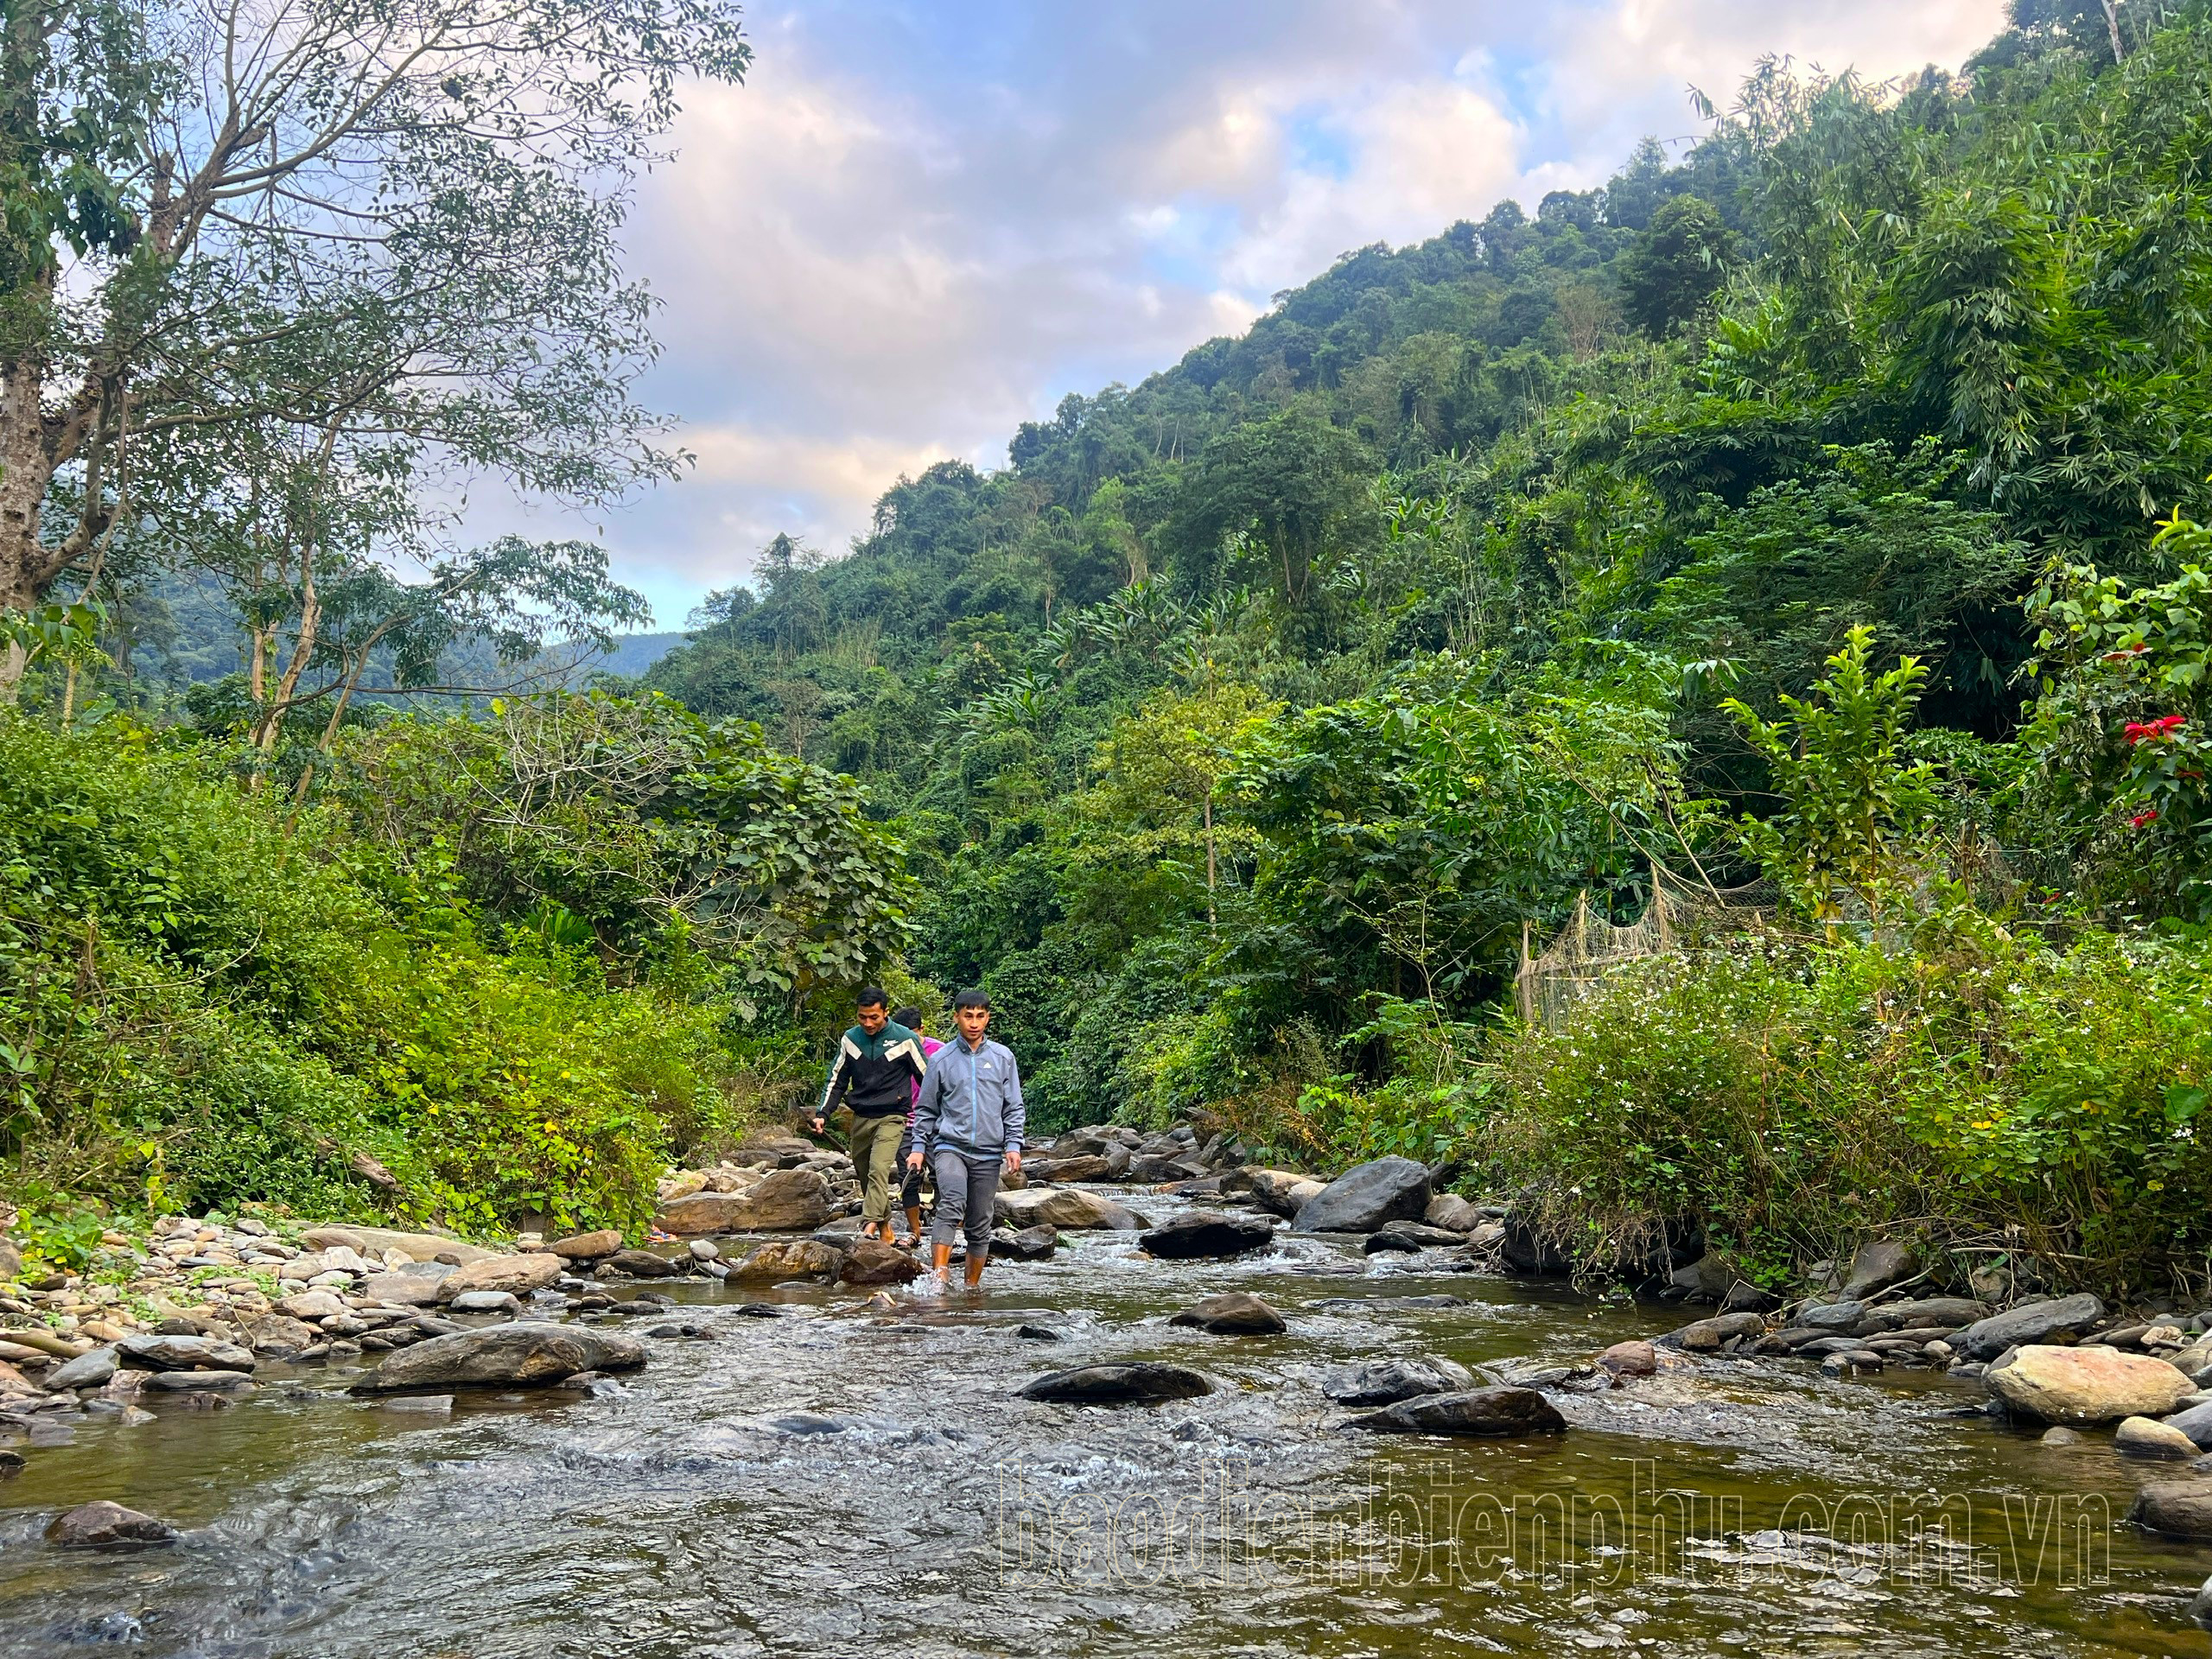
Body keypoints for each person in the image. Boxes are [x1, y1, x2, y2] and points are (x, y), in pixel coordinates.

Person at [906, 988, 1024, 1289]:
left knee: (980, 1223)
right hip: (950, 1146)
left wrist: (1013, 1145)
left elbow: (1013, 1106)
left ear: (987, 1018)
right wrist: (919, 1148)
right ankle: (940, 1279)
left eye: (980, 1016)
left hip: (988, 1151)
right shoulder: (941, 1059)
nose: (974, 1022)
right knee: (951, 1203)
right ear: (956, 1017)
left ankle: (972, 1288)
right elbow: (927, 1108)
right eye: (968, 1016)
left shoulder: (1003, 1057)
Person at [812, 987, 928, 1243]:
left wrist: (937, 1117)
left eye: (874, 1017)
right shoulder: (851, 1040)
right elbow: (837, 1080)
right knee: (865, 1174)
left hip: (893, 1115)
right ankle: (886, 1229)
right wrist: (823, 1114)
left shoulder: (905, 1039)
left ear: (886, 1013)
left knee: (878, 1169)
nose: (868, 1023)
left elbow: (927, 1080)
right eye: (862, 1017)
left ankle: (868, 1228)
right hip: (862, 1115)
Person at [891, 1005, 944, 1248]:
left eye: (911, 1033)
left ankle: (946, 1231)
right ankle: (915, 1231)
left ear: (921, 1030)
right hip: (906, 1122)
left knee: (942, 1175)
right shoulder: (892, 1051)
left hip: (937, 1123)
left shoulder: (940, 1052)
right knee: (909, 1177)